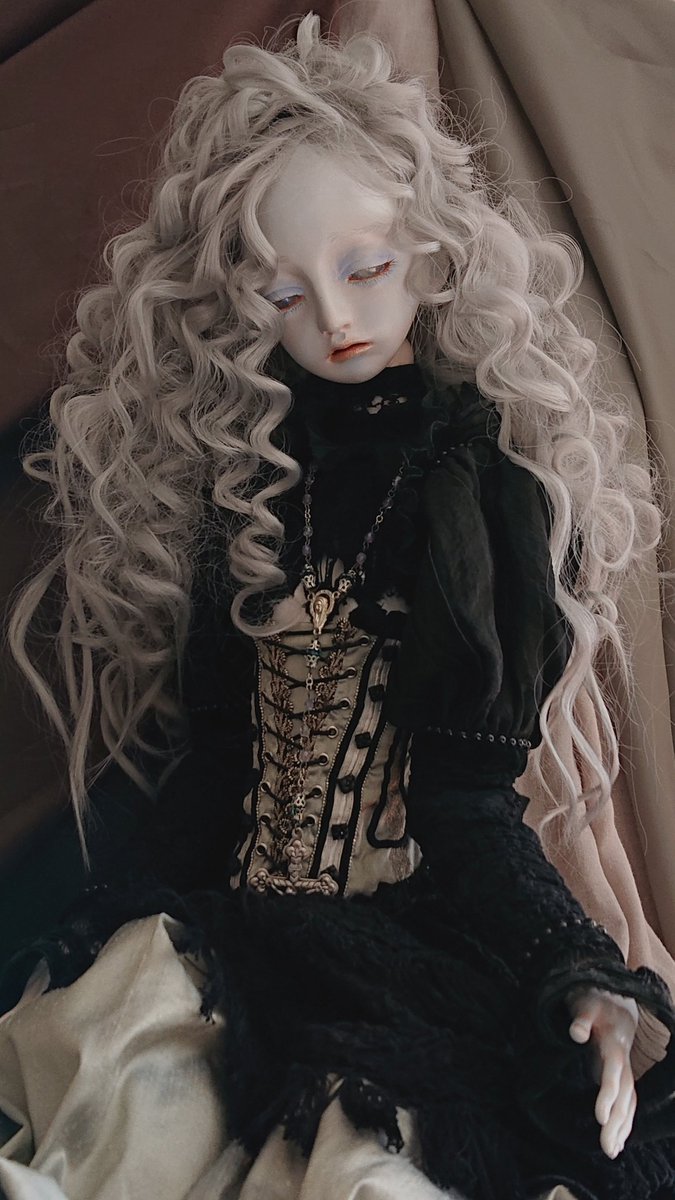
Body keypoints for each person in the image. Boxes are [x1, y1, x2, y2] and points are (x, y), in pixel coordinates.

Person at [2, 14, 675, 1200]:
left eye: (364, 269)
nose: (335, 318)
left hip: (404, 946)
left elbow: (466, 802)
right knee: (113, 1079)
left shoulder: (475, 497)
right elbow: (217, 766)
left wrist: (576, 966)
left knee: (364, 1164)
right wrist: (109, 927)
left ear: (428, 252)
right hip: (233, 936)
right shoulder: (249, 493)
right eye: (283, 292)